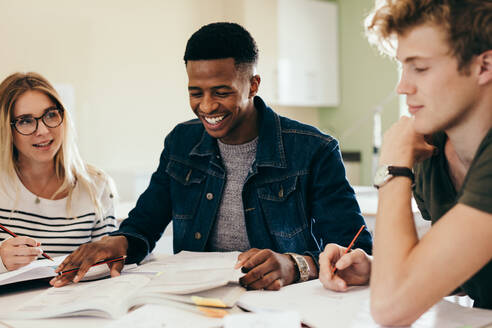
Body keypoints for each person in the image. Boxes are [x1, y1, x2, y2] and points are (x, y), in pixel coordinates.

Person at [51, 22, 371, 290]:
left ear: (253, 84)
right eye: (195, 92)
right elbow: (144, 225)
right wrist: (117, 243)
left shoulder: (314, 149)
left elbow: (354, 248)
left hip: (283, 306)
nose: (206, 106)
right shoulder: (180, 142)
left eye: (221, 92)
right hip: (197, 302)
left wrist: (295, 265)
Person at [318, 0, 492, 325]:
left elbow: (390, 309)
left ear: (484, 66)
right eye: (403, 66)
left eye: (420, 68)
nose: (403, 86)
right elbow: (465, 262)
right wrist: (378, 267)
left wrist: (394, 166)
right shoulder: (431, 149)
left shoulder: (411, 153)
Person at [0, 72, 117, 272]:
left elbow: (110, 264)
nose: (43, 130)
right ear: (6, 129)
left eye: (50, 114)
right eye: (25, 121)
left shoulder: (97, 185)